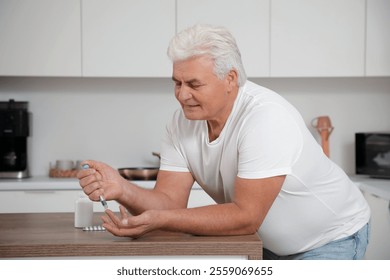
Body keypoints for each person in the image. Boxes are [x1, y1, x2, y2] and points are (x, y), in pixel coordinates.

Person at [77, 24, 370, 260]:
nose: (181, 95)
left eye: (194, 84)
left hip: (331, 239)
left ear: (230, 78)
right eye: (177, 83)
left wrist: (159, 220)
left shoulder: (266, 118)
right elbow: (169, 203)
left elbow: (245, 216)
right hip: (265, 245)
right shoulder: (182, 123)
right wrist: (122, 189)